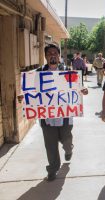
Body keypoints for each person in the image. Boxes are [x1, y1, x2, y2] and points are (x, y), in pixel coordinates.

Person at [18, 44, 88, 181]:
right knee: (50, 145)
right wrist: (24, 97)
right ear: (45, 56)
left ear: (59, 55)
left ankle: (69, 149)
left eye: (55, 52)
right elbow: (30, 91)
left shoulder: (67, 71)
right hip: (47, 117)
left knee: (66, 140)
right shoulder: (38, 73)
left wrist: (83, 89)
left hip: (65, 116)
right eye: (49, 53)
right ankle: (53, 168)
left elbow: (77, 86)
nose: (52, 55)